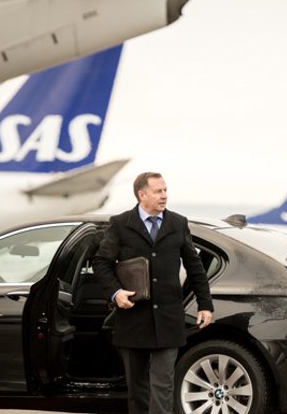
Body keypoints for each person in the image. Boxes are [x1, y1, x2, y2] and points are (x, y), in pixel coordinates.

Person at [92, 172, 214, 414]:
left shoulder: (178, 223)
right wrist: (115, 293)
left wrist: (205, 304)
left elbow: (195, 266)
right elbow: (100, 262)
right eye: (158, 191)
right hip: (132, 319)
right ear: (141, 194)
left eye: (165, 190)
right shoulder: (120, 223)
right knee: (137, 390)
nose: (164, 196)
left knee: (163, 386)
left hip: (168, 319)